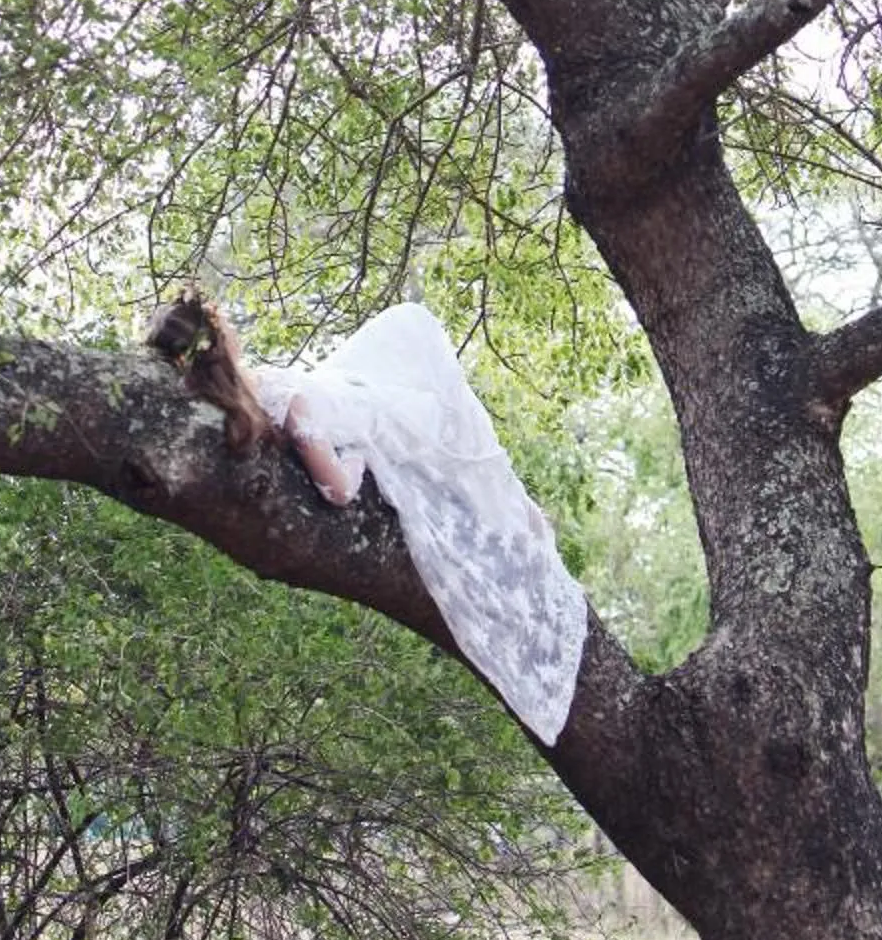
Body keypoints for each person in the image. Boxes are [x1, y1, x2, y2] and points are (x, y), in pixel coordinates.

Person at [148, 287, 587, 745]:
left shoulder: (247, 399)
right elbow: (338, 490)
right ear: (222, 345)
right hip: (383, 418)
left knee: (415, 338)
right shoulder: (282, 401)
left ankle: (523, 521)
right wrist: (358, 453)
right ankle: (524, 525)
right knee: (463, 454)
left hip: (358, 397)